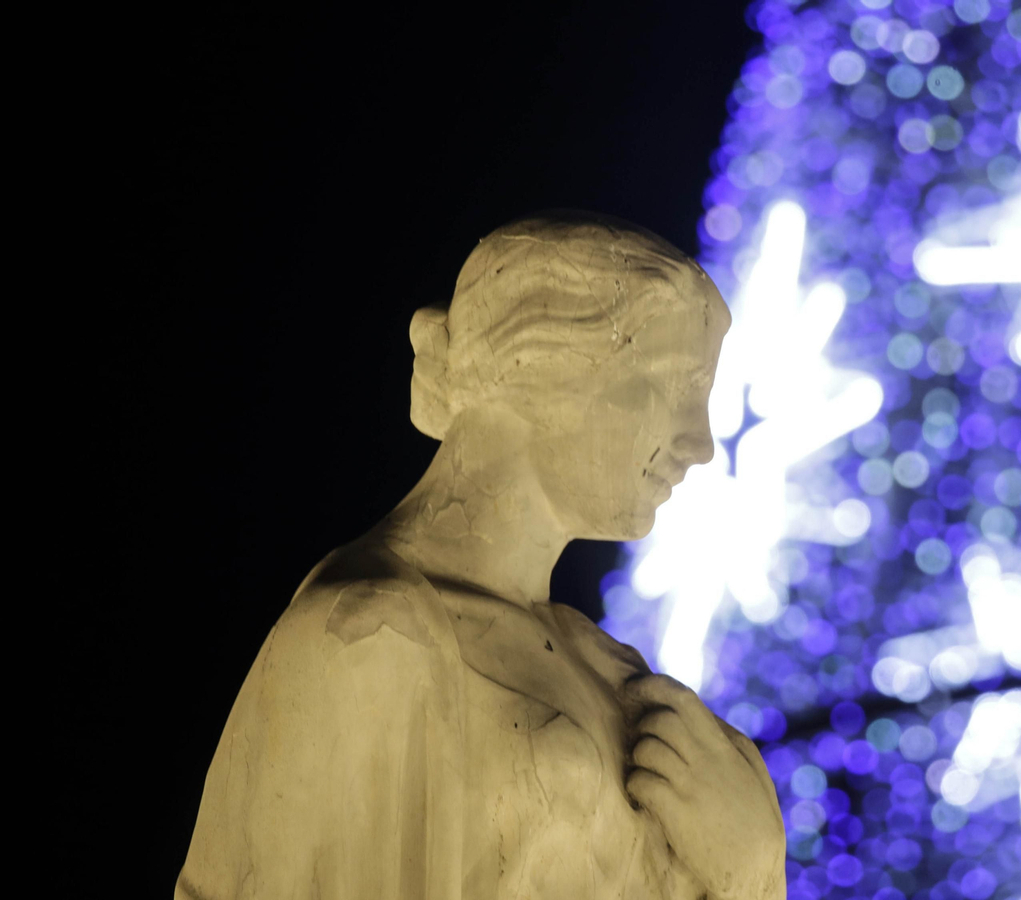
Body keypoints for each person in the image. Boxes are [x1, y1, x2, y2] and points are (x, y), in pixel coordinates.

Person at [177, 212, 786, 900]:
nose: (700, 443)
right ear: (541, 365)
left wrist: (751, 868)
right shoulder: (366, 635)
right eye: (676, 385)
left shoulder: (612, 671)